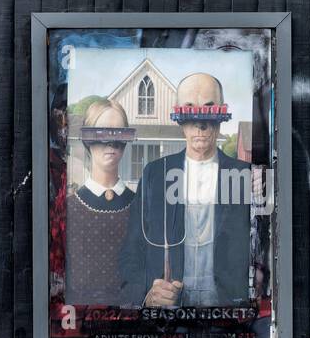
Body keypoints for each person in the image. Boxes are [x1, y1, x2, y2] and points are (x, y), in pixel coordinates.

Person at [118, 71, 253, 307]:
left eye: (209, 109)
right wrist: (147, 294)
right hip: (170, 310)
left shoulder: (246, 176)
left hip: (228, 309)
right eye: (190, 109)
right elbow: (132, 251)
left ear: (222, 114)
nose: (200, 123)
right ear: (179, 115)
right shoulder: (154, 174)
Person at [65, 100, 137, 306]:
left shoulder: (141, 206)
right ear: (88, 139)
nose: (111, 144)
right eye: (102, 134)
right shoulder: (67, 209)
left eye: (118, 135)